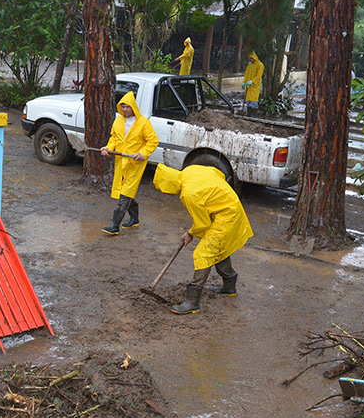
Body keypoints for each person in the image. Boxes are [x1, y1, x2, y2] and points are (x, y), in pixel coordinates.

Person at [153, 164, 253, 314]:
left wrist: (190, 233)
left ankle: (192, 302)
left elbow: (202, 224)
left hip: (227, 216)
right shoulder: (190, 170)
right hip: (227, 206)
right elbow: (217, 172)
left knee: (203, 253)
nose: (167, 194)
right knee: (216, 247)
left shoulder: (188, 194)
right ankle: (229, 286)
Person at [100, 91, 159, 236]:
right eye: (123, 106)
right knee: (124, 190)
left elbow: (153, 141)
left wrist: (143, 153)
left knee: (125, 193)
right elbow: (114, 138)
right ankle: (134, 218)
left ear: (133, 107)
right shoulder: (118, 121)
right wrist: (108, 148)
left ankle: (114, 226)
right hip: (121, 161)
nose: (125, 109)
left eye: (127, 107)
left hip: (135, 163)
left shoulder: (143, 122)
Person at [241, 51, 264, 116]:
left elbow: (258, 76)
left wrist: (252, 81)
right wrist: (244, 82)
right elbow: (246, 74)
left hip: (255, 86)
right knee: (248, 100)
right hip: (248, 85)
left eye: (252, 58)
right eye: (250, 58)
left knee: (253, 100)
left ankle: (254, 114)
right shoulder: (249, 65)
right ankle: (249, 113)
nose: (251, 60)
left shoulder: (260, 65)